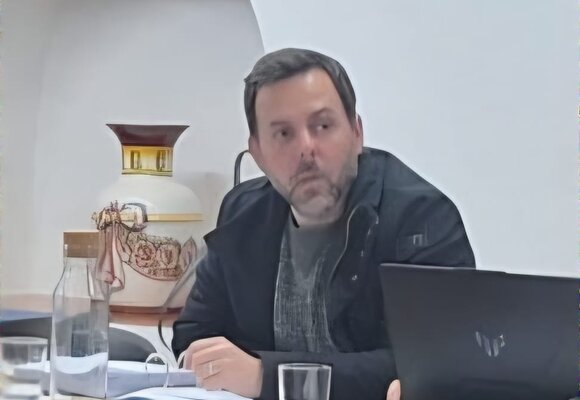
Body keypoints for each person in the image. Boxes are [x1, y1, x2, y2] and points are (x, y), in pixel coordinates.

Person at [172, 48, 475, 400]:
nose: (306, 148)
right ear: (257, 153)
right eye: (283, 134)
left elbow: (435, 366)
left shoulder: (422, 219)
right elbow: (195, 337)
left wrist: (265, 375)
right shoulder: (243, 214)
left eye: (323, 126)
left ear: (357, 133)